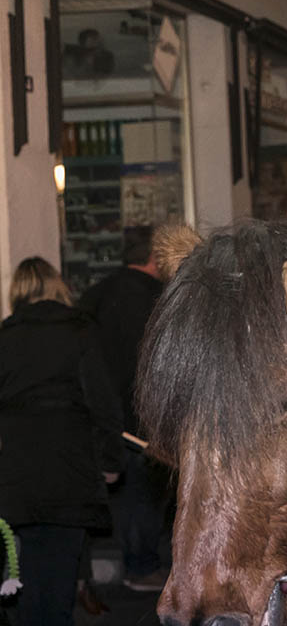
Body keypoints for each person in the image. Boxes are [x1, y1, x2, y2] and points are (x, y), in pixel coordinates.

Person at [0, 258, 123, 626]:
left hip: (17, 475)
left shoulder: (4, 337)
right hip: (69, 472)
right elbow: (104, 405)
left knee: (29, 574)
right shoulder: (80, 331)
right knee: (58, 582)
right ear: (57, 286)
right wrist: (111, 462)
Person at [78, 226, 170, 592]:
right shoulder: (156, 298)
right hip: (144, 415)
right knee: (146, 496)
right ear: (155, 257)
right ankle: (141, 565)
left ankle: (132, 561)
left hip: (107, 415)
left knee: (125, 494)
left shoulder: (96, 295)